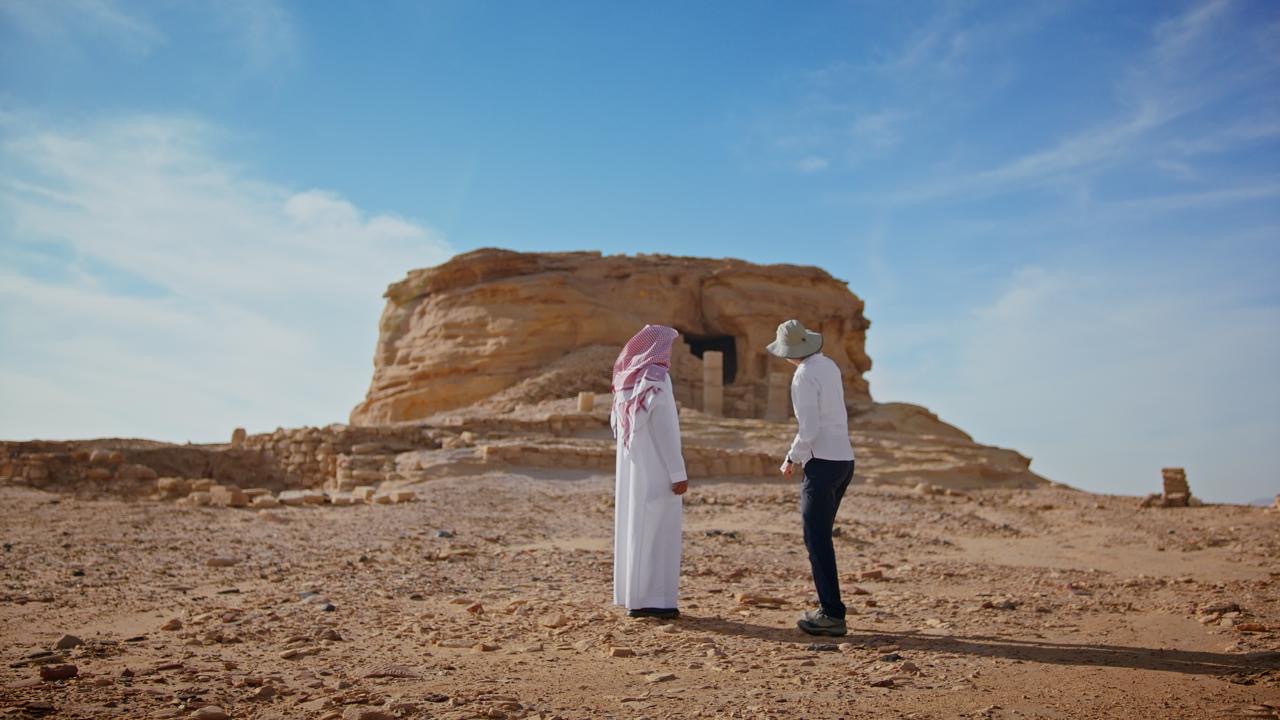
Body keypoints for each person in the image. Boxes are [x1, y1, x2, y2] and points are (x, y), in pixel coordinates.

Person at [766, 319, 855, 636]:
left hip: (822, 463)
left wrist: (792, 457)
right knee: (822, 538)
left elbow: (809, 428)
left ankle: (832, 614)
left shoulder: (802, 376)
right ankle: (829, 607)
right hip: (844, 460)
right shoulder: (828, 365)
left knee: (816, 540)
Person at [611, 324, 689, 619]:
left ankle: (635, 597)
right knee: (658, 532)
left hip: (633, 470)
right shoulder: (657, 379)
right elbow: (664, 428)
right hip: (657, 470)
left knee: (635, 529)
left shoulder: (624, 382)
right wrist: (677, 472)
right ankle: (656, 601)